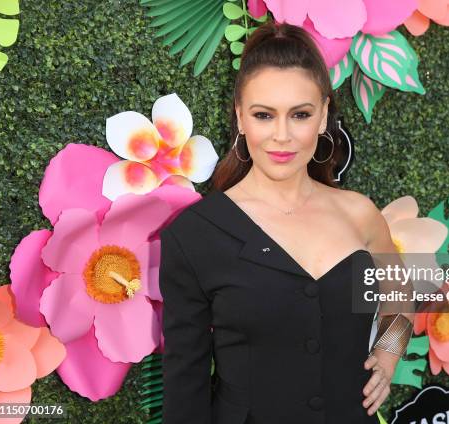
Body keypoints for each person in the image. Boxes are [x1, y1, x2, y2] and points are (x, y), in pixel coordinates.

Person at [159, 21, 414, 424]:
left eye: (299, 114)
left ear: (323, 115)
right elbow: (184, 388)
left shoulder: (360, 214)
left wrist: (388, 354)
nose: (282, 136)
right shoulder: (194, 236)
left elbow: (401, 300)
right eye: (264, 115)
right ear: (241, 118)